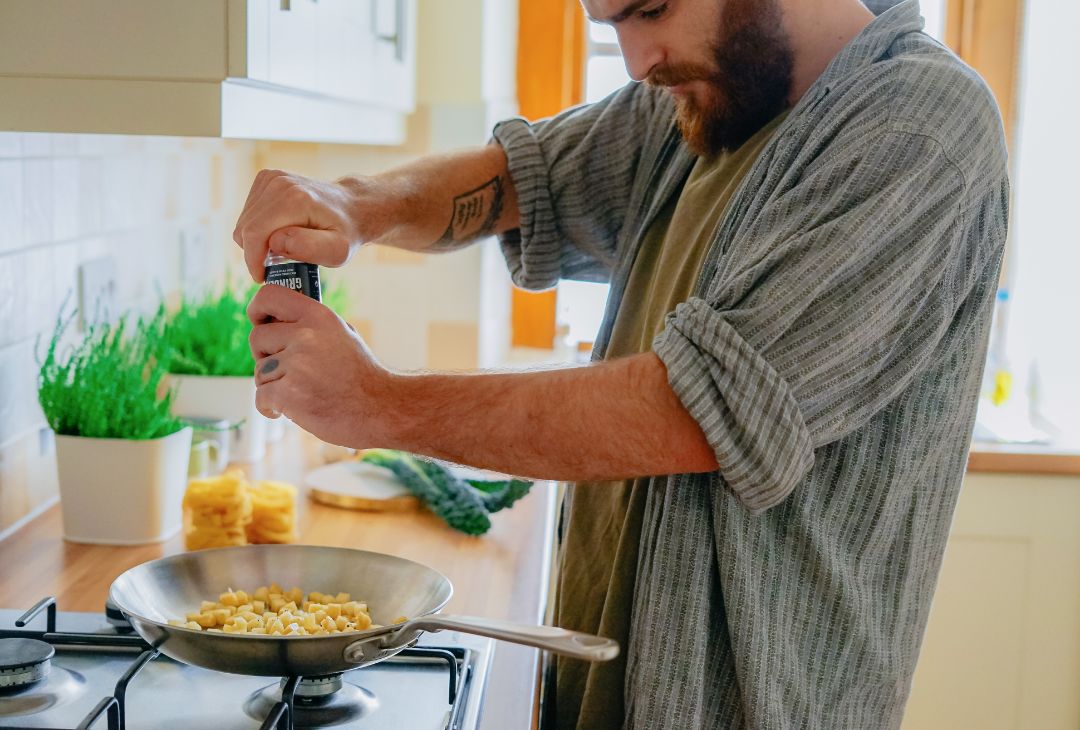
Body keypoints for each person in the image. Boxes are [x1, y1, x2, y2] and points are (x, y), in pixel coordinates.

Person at [234, 0, 1009, 726]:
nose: (639, 61)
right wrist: (357, 205)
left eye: (650, 8)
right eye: (610, 22)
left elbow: (692, 412)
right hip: (606, 672)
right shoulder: (707, 96)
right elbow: (519, 179)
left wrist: (376, 403)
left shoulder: (915, 128)